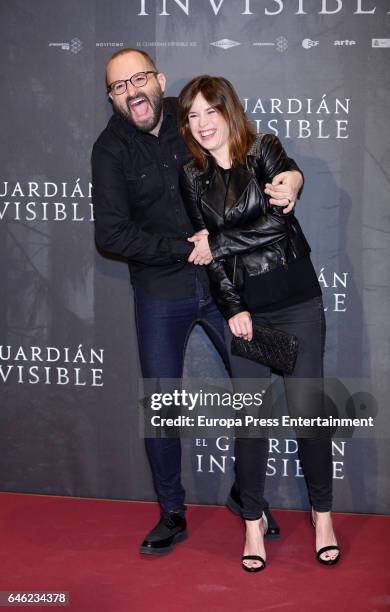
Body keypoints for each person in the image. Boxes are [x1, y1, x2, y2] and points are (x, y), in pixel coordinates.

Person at [92, 48, 304, 556]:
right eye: (120, 87)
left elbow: (252, 148)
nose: (133, 92)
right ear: (112, 97)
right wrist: (185, 248)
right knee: (161, 404)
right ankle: (171, 511)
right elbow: (112, 232)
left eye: (139, 79)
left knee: (252, 390)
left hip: (222, 282)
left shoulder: (194, 118)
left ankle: (245, 495)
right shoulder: (109, 149)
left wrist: (293, 174)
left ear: (158, 80)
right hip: (159, 289)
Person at [178, 75, 340, 572]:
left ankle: (322, 516)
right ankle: (252, 522)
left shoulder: (264, 150)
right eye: (192, 116)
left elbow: (279, 223)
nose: (202, 124)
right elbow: (210, 264)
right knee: (252, 423)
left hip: (298, 303)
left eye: (210, 111)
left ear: (229, 111)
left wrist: (222, 241)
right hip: (248, 313)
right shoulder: (191, 177)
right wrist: (233, 310)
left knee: (309, 415)